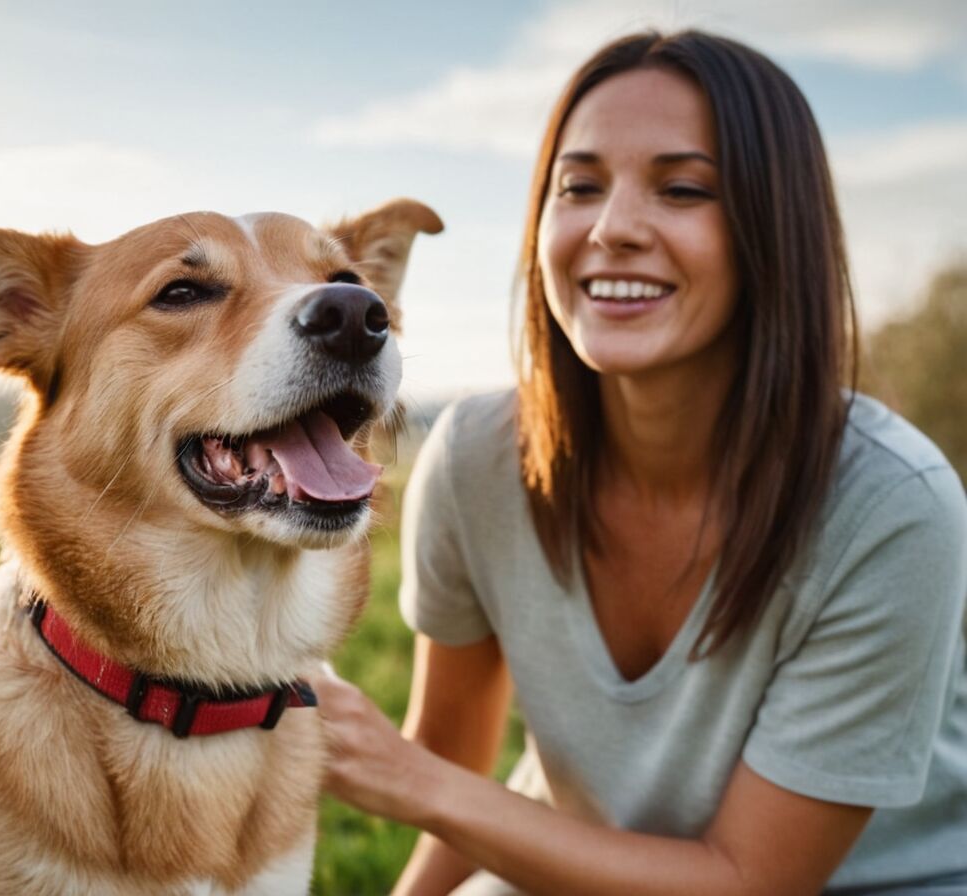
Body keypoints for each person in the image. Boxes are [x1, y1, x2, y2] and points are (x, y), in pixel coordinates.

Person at [310, 29, 967, 895]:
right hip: (566, 861)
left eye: (683, 188)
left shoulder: (893, 507)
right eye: (579, 186)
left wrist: (413, 778)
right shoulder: (473, 459)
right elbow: (452, 783)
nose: (613, 228)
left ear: (775, 227)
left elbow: (748, 881)